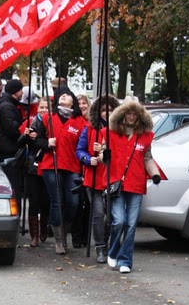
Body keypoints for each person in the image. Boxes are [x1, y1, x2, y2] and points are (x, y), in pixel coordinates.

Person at [99, 96, 161, 274]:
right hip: (116, 182)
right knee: (119, 221)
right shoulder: (109, 132)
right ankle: (113, 251)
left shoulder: (145, 136)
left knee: (132, 224)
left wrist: (155, 174)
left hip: (136, 182)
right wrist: (104, 156)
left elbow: (147, 158)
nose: (131, 117)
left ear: (140, 115)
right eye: (128, 113)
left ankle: (125, 260)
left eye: (135, 114)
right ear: (122, 114)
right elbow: (102, 154)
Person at [36, 86, 85, 255]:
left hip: (72, 166)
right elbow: (37, 140)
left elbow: (83, 145)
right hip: (51, 165)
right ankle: (58, 240)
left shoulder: (81, 122)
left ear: (73, 101)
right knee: (56, 201)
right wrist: (46, 143)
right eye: (61, 94)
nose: (63, 96)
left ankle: (64, 231)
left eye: (67, 94)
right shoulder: (47, 118)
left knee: (73, 203)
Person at [76, 94, 120, 262]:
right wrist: (88, 159)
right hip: (93, 176)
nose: (107, 113)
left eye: (110, 110)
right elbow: (79, 150)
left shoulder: (118, 130)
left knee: (111, 216)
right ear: (98, 112)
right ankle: (100, 247)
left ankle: (106, 242)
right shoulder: (89, 128)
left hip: (112, 177)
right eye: (103, 110)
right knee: (98, 214)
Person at [17, 97, 50, 247]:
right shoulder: (30, 122)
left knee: (45, 201)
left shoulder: (52, 123)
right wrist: (25, 135)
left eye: (46, 108)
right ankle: (34, 235)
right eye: (41, 107)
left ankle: (44, 229)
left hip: (47, 166)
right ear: (37, 108)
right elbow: (19, 143)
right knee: (33, 201)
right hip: (32, 166)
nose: (43, 110)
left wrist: (39, 138)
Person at [0, 78, 25, 211]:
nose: (22, 93)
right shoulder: (7, 106)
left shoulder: (7, 104)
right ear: (15, 91)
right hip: (8, 151)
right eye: (21, 90)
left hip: (6, 149)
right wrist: (24, 130)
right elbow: (13, 130)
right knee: (13, 186)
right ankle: (15, 213)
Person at [70, 94, 92, 248]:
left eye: (84, 103)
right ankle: (76, 236)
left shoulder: (92, 123)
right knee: (77, 204)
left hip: (89, 166)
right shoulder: (74, 121)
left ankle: (86, 236)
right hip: (76, 165)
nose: (82, 106)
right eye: (79, 103)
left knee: (89, 205)